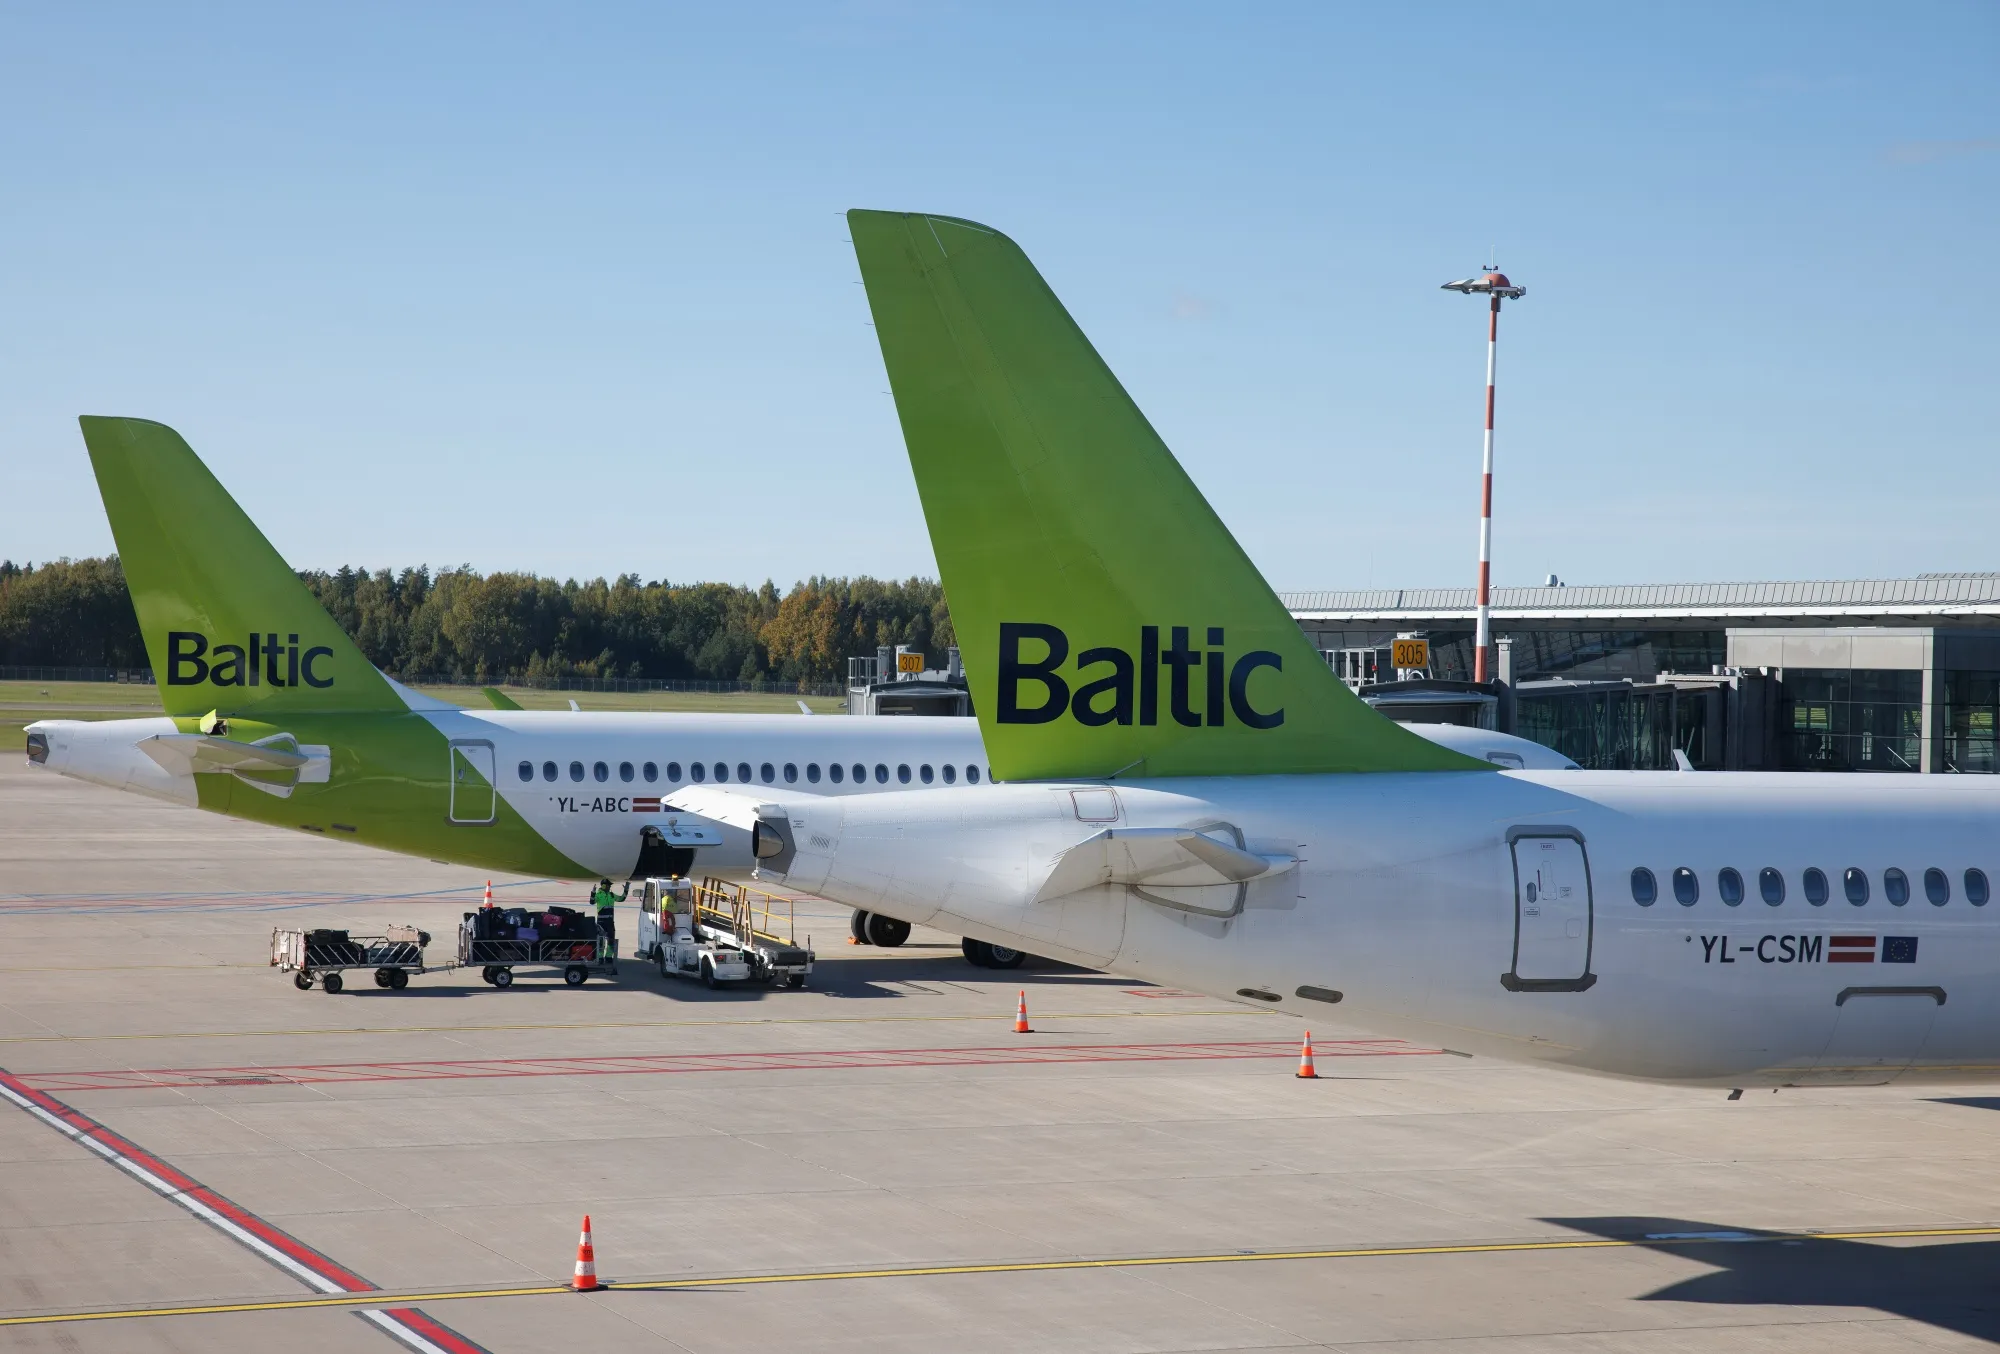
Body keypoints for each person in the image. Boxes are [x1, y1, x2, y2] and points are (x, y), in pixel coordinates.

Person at [591, 878, 628, 963]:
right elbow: (592, 902)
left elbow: (621, 899)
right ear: (604, 885)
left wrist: (626, 890)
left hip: (610, 922)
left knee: (611, 940)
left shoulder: (611, 895)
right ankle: (600, 957)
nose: (609, 886)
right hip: (601, 922)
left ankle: (608, 957)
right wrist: (593, 892)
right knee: (600, 940)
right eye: (608, 885)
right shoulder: (598, 895)